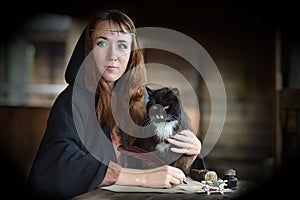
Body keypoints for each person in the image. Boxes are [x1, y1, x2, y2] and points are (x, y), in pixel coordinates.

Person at [27, 9, 203, 199]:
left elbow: (152, 156)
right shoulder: (71, 100)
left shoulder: (139, 102)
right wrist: (141, 178)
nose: (113, 55)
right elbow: (58, 164)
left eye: (122, 46)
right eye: (102, 43)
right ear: (88, 50)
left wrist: (190, 151)